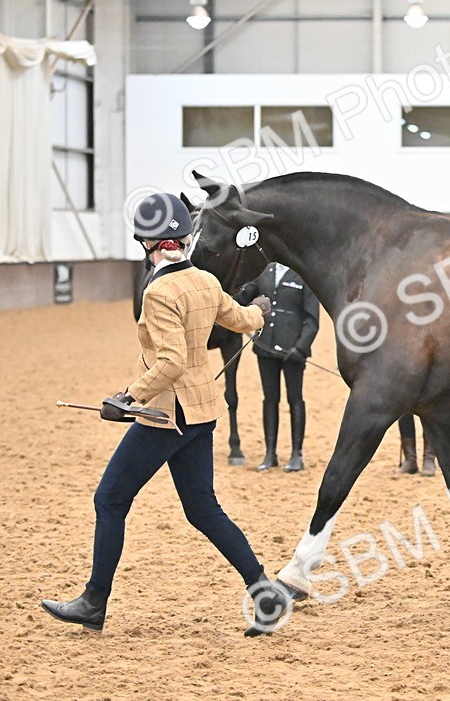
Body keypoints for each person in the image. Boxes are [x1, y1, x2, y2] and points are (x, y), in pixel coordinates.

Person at [41, 193, 293, 637]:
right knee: (202, 509)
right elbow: (239, 319)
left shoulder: (158, 292)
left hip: (167, 415)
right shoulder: (204, 280)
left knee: (109, 499)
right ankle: (265, 592)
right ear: (184, 239)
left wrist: (127, 397)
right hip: (201, 412)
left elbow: (170, 362)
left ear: (146, 243)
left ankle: (94, 602)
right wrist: (260, 312)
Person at [236, 263, 320, 473]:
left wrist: (301, 348)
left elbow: (312, 320)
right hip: (266, 347)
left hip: (292, 351)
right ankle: (270, 453)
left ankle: (296, 454)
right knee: (270, 399)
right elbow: (242, 298)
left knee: (295, 399)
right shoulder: (264, 271)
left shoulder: (303, 274)